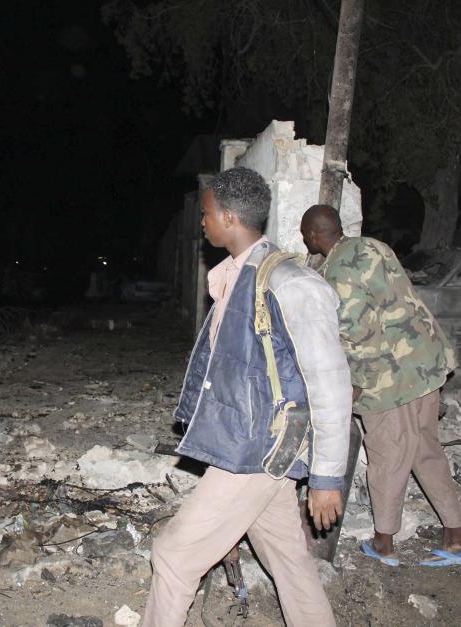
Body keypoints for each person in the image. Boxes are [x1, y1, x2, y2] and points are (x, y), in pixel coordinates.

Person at [143, 168, 351, 627]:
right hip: (252, 446)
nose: (202, 221)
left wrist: (326, 477)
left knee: (174, 555)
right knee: (289, 563)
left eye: (207, 213)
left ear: (230, 217)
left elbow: (331, 384)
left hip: (257, 450)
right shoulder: (239, 278)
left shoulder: (292, 285)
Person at [299, 204, 461, 568]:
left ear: (316, 236)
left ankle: (384, 542)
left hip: (389, 378)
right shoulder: (373, 246)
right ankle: (457, 535)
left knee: (387, 455)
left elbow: (358, 336)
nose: (306, 241)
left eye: (306, 235)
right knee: (424, 449)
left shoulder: (338, 273)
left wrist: (356, 388)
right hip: (425, 364)